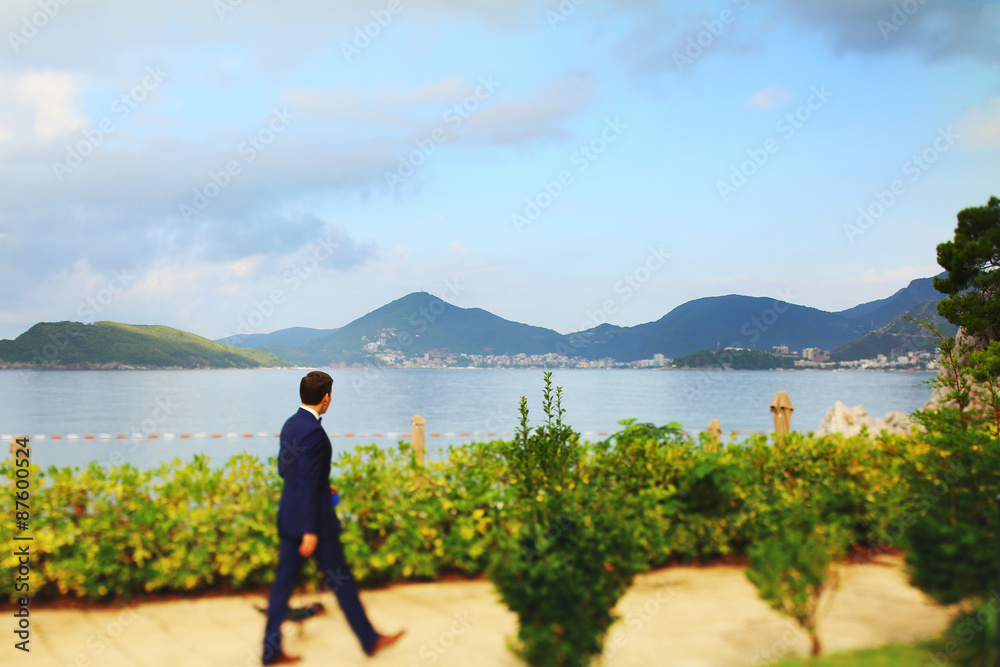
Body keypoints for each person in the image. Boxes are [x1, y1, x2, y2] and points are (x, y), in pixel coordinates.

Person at [262, 371, 403, 665]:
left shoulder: (291, 423)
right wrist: (309, 530)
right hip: (314, 526)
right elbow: (309, 481)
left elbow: (286, 471)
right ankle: (369, 639)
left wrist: (324, 487)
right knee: (342, 582)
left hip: (289, 517)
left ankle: (270, 650)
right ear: (325, 398)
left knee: (282, 588)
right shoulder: (314, 432)